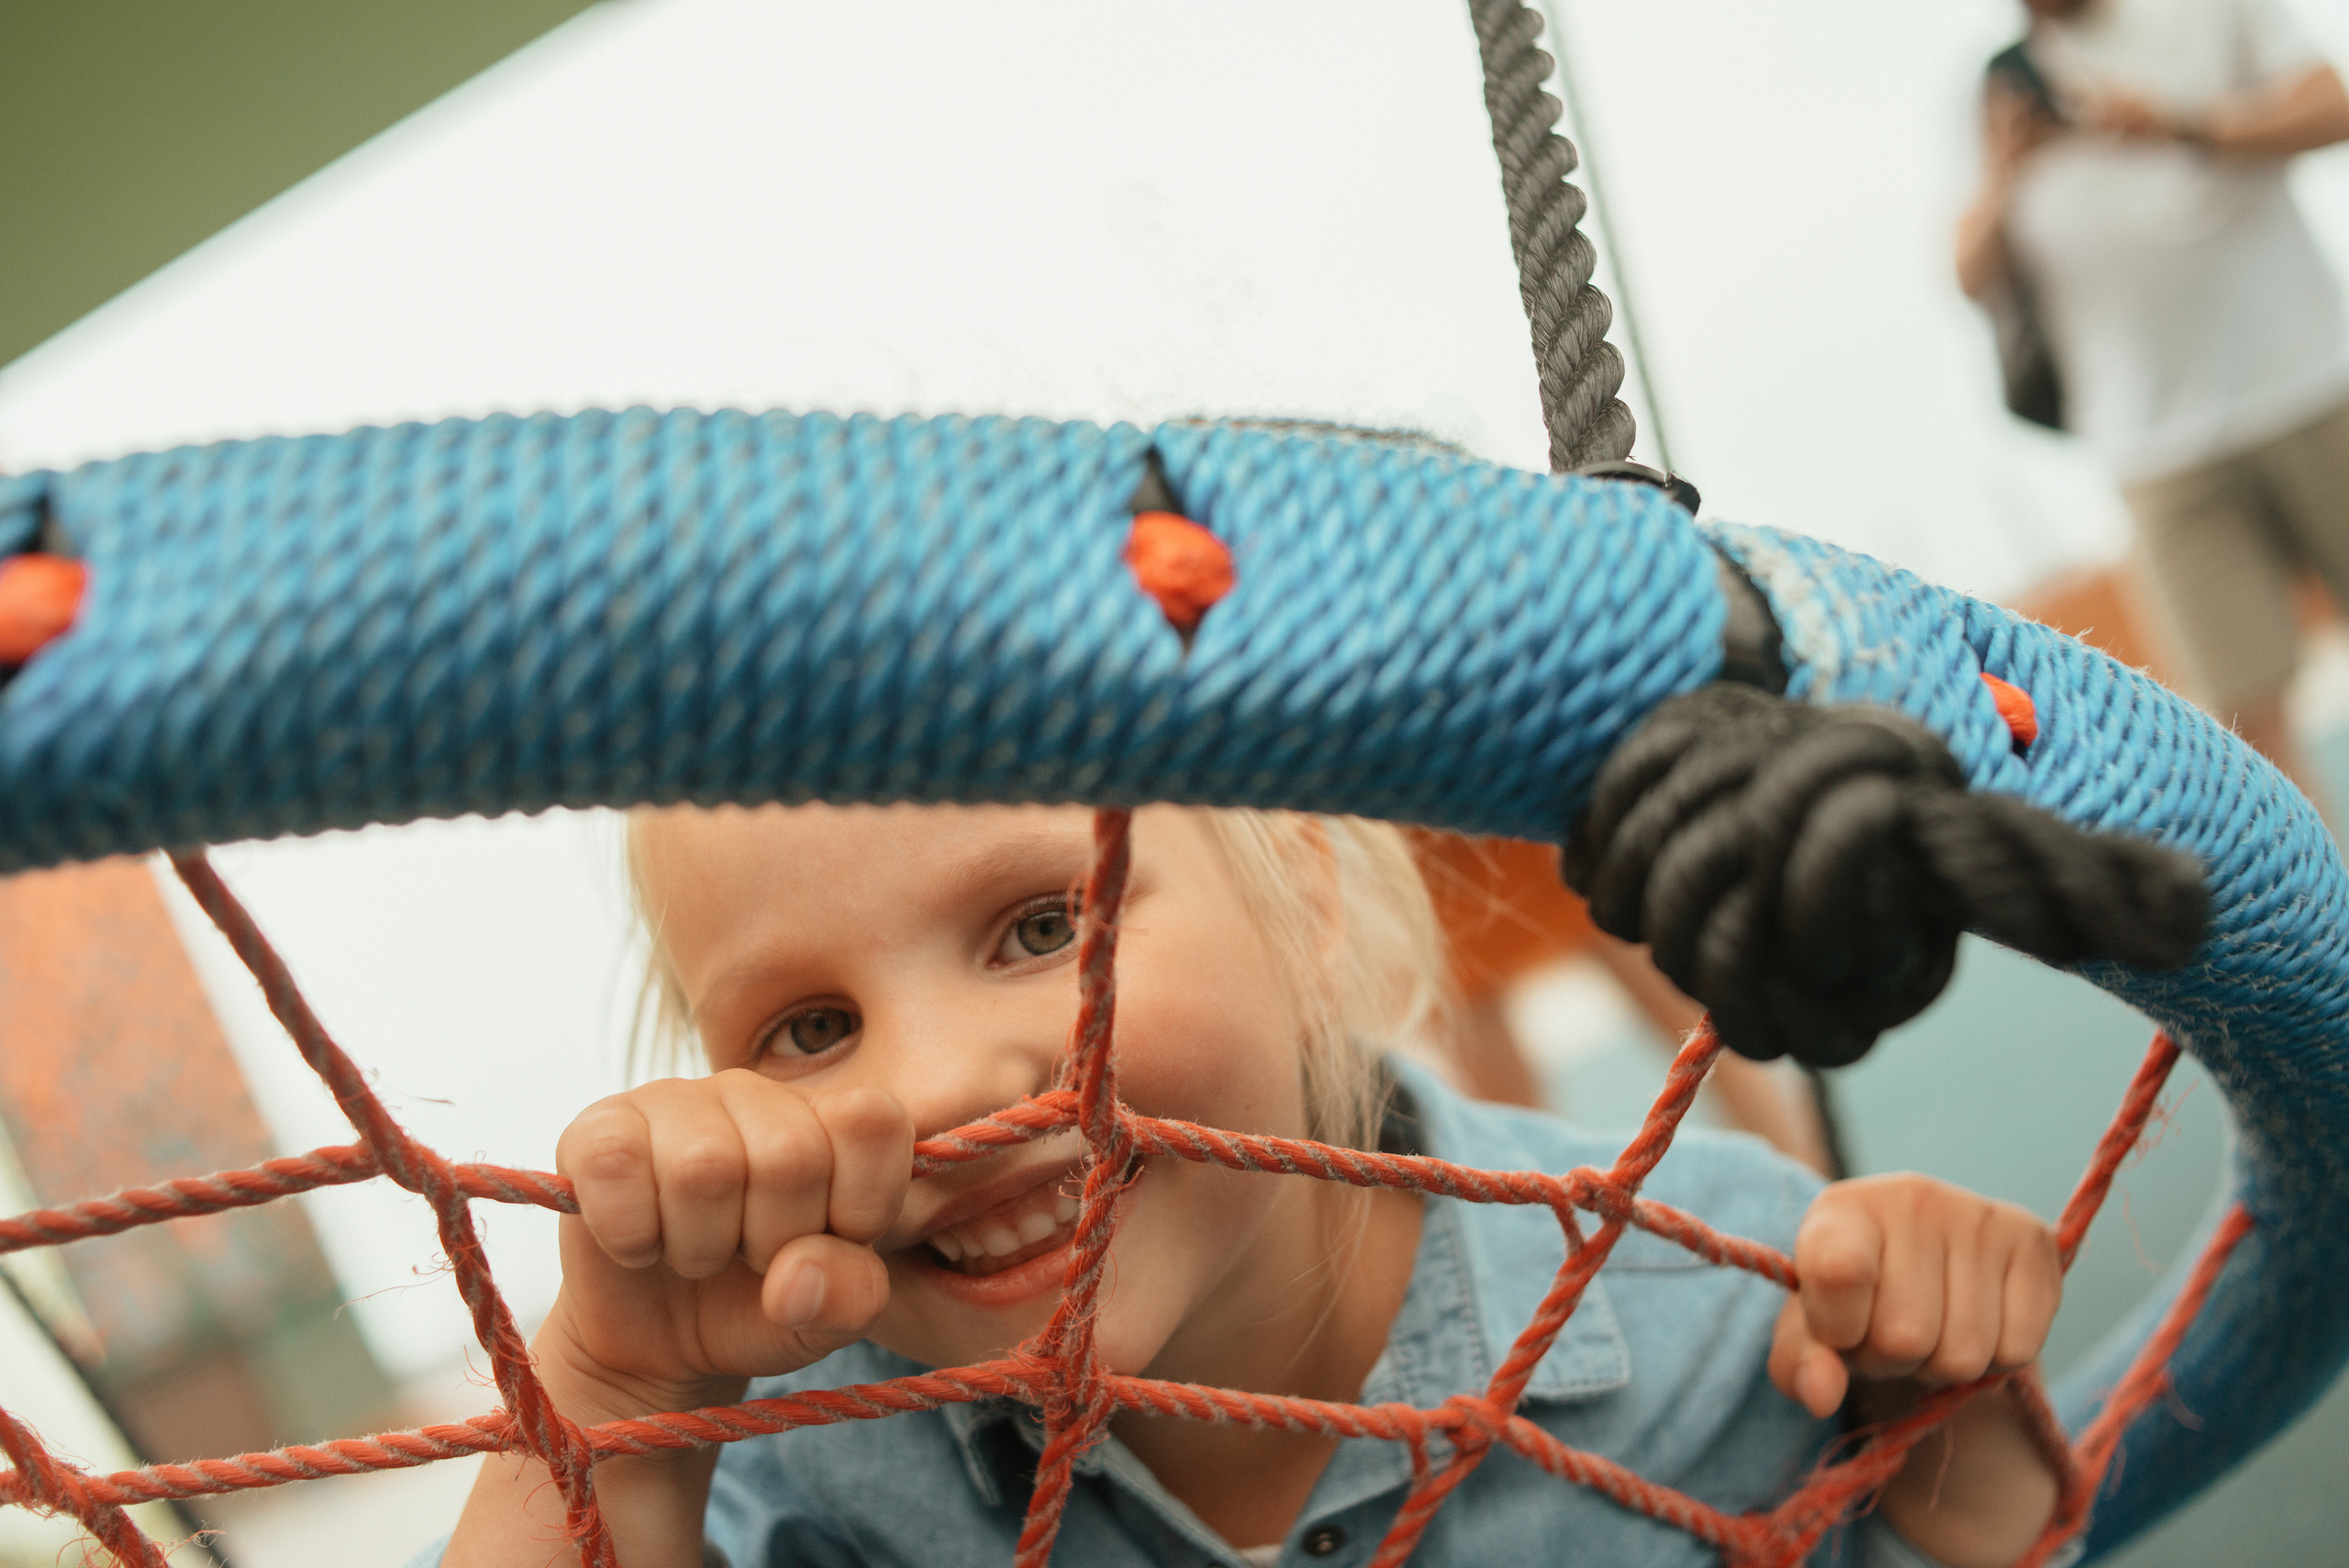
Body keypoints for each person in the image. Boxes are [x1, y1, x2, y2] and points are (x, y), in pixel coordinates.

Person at [429, 802, 2065, 1568]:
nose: (927, 1092)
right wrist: (617, 1384)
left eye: (1042, 923)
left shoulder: (1733, 1291)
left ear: (1306, 894)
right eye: (808, 1026)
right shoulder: (814, 1480)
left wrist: (1957, 1429)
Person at [1957, 0, 2349, 799]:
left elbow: (2332, 103)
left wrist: (2177, 126)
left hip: (2313, 386)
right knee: (2250, 733)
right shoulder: (1995, 87)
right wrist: (2004, 172)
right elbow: (1966, 270)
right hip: (2153, 448)